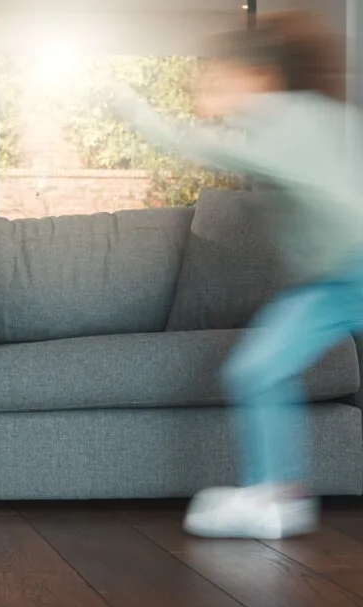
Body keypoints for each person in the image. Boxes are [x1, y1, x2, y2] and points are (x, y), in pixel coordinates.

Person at [116, 11, 361, 539]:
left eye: (216, 80)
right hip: (331, 286)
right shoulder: (309, 116)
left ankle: (274, 494)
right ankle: (274, 494)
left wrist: (125, 101)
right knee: (257, 371)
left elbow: (191, 143)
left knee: (257, 370)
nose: (206, 93)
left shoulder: (284, 121)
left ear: (259, 78)